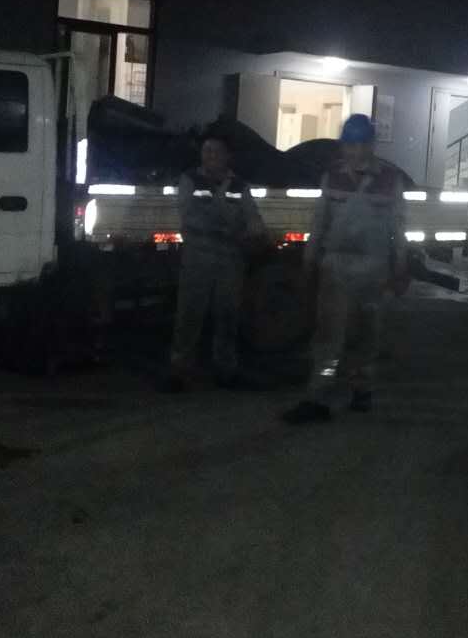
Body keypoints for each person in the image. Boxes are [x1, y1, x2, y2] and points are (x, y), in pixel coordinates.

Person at [283, 113, 409, 423]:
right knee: (329, 336)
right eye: (350, 145)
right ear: (343, 146)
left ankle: (362, 389)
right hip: (336, 267)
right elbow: (319, 223)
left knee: (367, 334)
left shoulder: (390, 180)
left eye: (362, 144)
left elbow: (399, 228)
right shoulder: (332, 177)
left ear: (371, 145)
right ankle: (319, 395)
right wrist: (309, 262)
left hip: (373, 268)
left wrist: (400, 266)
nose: (356, 151)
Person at [162, 133, 266, 392]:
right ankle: (179, 371)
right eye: (206, 151)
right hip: (198, 258)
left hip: (229, 260)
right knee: (189, 316)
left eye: (215, 151)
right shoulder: (190, 180)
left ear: (227, 156)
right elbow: (188, 215)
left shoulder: (239, 186)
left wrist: (255, 233)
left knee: (227, 316)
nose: (210, 156)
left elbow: (252, 218)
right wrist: (230, 228)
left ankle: (225, 370)